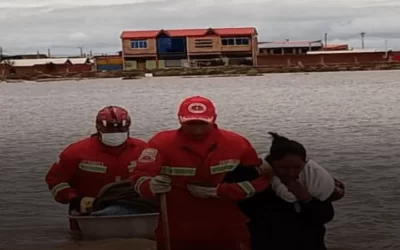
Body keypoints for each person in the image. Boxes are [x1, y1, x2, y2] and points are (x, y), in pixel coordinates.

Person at [131, 95, 272, 250]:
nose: (197, 127)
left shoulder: (238, 144)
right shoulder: (161, 143)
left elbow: (261, 182)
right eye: (191, 122)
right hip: (177, 227)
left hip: (227, 225)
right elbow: (138, 177)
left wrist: (220, 191)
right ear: (180, 119)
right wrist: (150, 186)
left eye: (202, 122)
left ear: (214, 118)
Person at [233, 132, 345, 250]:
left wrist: (307, 199)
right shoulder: (255, 182)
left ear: (305, 164)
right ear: (270, 164)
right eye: (283, 167)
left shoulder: (314, 182)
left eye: (297, 167)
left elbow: (325, 217)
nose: (291, 173)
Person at [45, 105, 148, 232]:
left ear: (128, 128)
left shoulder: (143, 150)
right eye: (109, 130)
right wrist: (75, 199)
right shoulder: (75, 152)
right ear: (98, 128)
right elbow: (55, 181)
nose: (115, 134)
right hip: (88, 212)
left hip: (136, 210)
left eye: (120, 129)